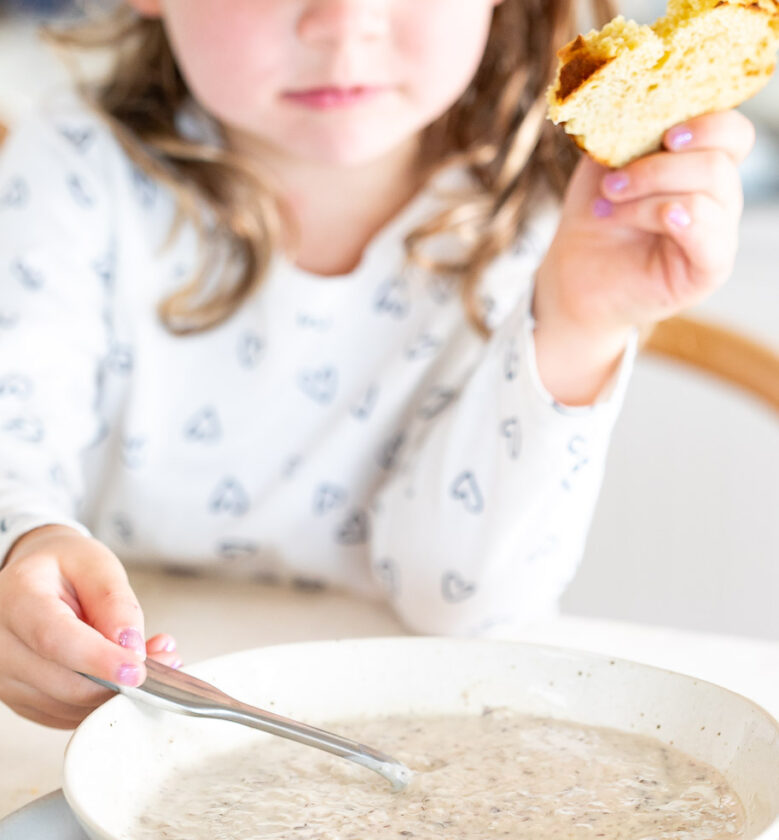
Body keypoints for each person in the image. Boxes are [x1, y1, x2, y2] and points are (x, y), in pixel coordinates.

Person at [0, 0, 753, 728]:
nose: (342, 18)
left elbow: (464, 606)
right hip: (136, 706)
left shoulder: (555, 214)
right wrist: (24, 550)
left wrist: (577, 322)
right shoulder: (68, 168)